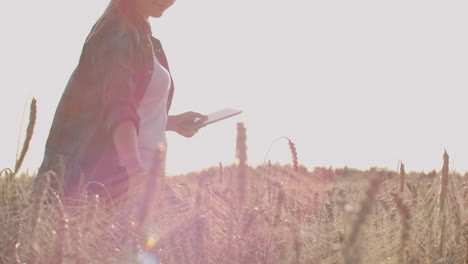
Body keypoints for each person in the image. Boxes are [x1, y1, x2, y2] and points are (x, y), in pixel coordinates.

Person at [37, 0, 207, 206]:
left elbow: (127, 112)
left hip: (141, 175)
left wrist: (171, 122)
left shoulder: (142, 39)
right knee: (189, 229)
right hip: (119, 179)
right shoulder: (116, 36)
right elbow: (118, 109)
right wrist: (134, 170)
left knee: (189, 228)